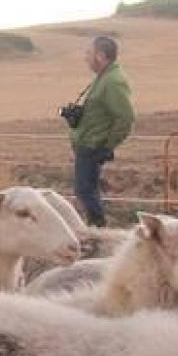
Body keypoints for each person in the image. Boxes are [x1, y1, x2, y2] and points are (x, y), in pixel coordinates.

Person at [67, 36, 136, 228]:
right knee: (85, 190)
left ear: (101, 56)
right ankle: (95, 228)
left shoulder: (113, 81)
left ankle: (98, 229)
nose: (85, 58)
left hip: (93, 145)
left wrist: (107, 145)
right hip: (88, 143)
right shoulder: (104, 77)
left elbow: (125, 118)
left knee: (86, 190)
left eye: (89, 53)